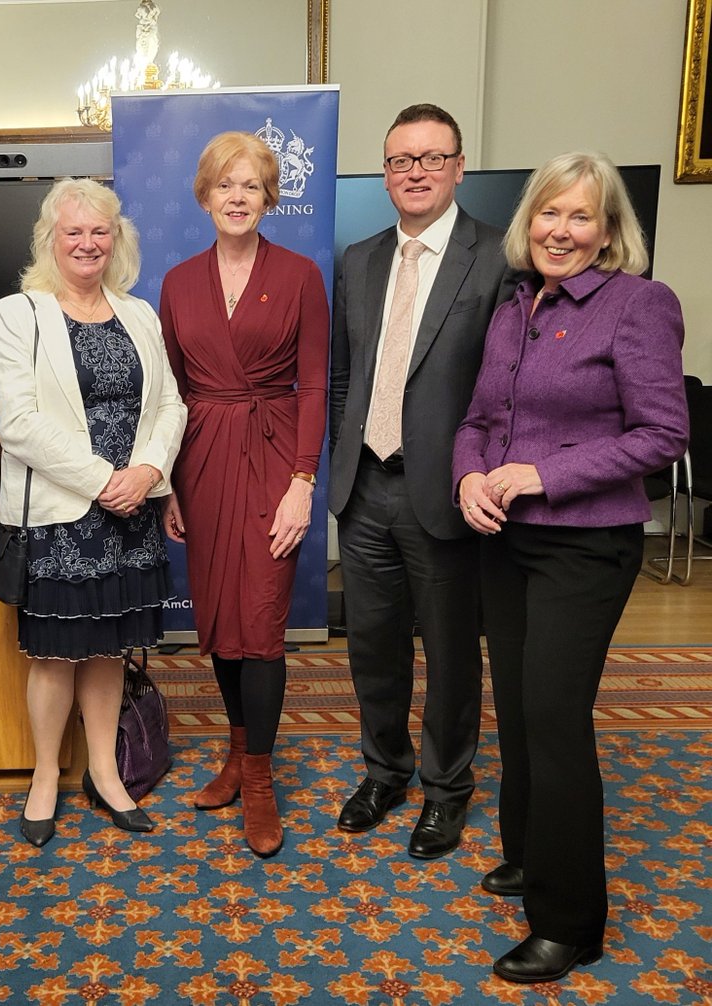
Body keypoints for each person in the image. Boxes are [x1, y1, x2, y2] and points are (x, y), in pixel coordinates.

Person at [455, 151, 687, 984]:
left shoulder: (639, 304)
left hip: (586, 545)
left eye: (580, 216)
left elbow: (663, 433)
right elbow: (481, 417)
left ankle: (568, 922)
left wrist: (546, 473)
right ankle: (528, 856)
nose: (561, 230)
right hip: (507, 541)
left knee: (554, 720)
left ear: (610, 230)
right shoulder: (516, 305)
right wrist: (470, 474)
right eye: (550, 213)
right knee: (516, 710)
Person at [328, 103, 517, 859]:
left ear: (459, 167)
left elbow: (505, 387)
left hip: (446, 490)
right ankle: (386, 771)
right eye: (402, 161)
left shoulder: (500, 255)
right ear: (385, 173)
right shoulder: (360, 258)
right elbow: (346, 376)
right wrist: (345, 454)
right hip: (365, 485)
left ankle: (446, 790)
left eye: (431, 158)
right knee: (371, 645)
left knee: (448, 652)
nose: (416, 172)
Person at [0, 178, 186, 848]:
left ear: (117, 239)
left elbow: (170, 407)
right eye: (73, 230)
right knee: (55, 656)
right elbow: (16, 423)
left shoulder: (140, 315)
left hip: (130, 509)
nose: (87, 242)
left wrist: (149, 471)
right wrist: (107, 480)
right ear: (50, 238)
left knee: (108, 648)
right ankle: (47, 775)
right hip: (61, 510)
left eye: (100, 230)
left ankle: (104, 769)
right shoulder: (17, 314)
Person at [159, 131, 329, 858]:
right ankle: (236, 750)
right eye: (225, 185)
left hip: (272, 455)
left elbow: (316, 383)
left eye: (251, 185)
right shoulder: (176, 282)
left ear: (269, 198)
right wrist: (167, 479)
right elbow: (169, 392)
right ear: (205, 197)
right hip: (200, 460)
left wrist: (302, 482)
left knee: (260, 620)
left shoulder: (298, 276)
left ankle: (258, 778)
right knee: (222, 616)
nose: (237, 197)